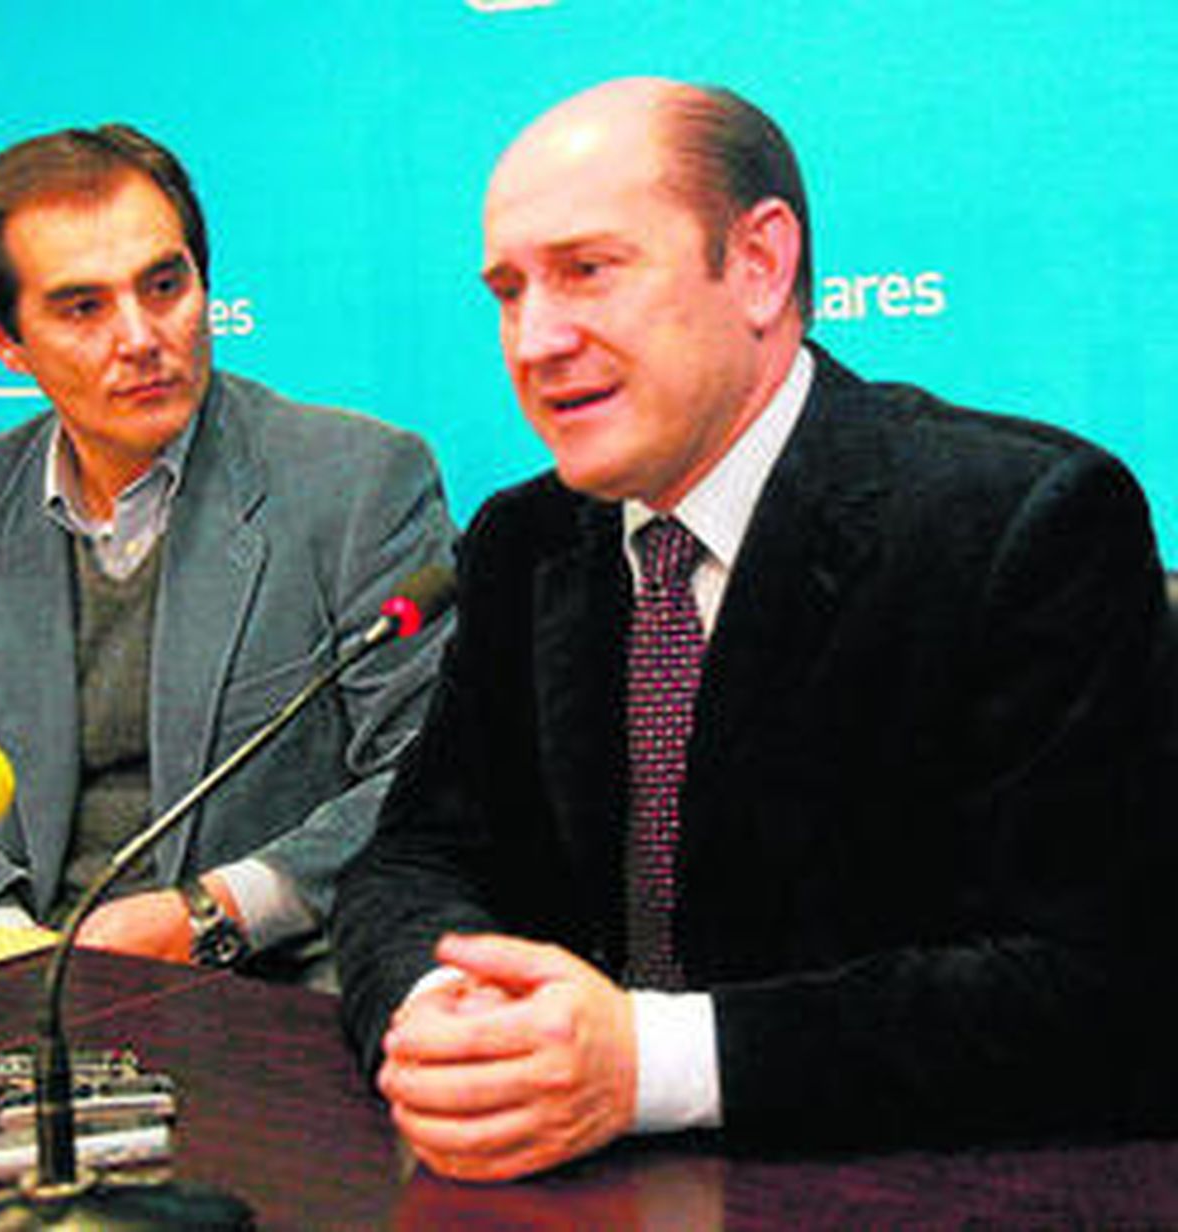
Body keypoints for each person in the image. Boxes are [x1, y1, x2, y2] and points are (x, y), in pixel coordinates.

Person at [333, 77, 1177, 1179]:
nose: (534, 339)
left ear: (759, 266)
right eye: (507, 290)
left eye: (588, 270)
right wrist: (442, 1008)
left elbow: (1102, 991)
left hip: (898, 1181)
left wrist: (649, 1061)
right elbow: (415, 855)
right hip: (574, 1186)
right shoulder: (523, 539)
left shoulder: (1022, 522)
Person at [0, 123, 455, 984]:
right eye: (83, 307)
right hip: (18, 971)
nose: (142, 337)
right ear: (5, 340)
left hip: (270, 977)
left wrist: (215, 910)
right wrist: (6, 946)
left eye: (165, 285)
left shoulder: (358, 481)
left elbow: (430, 773)